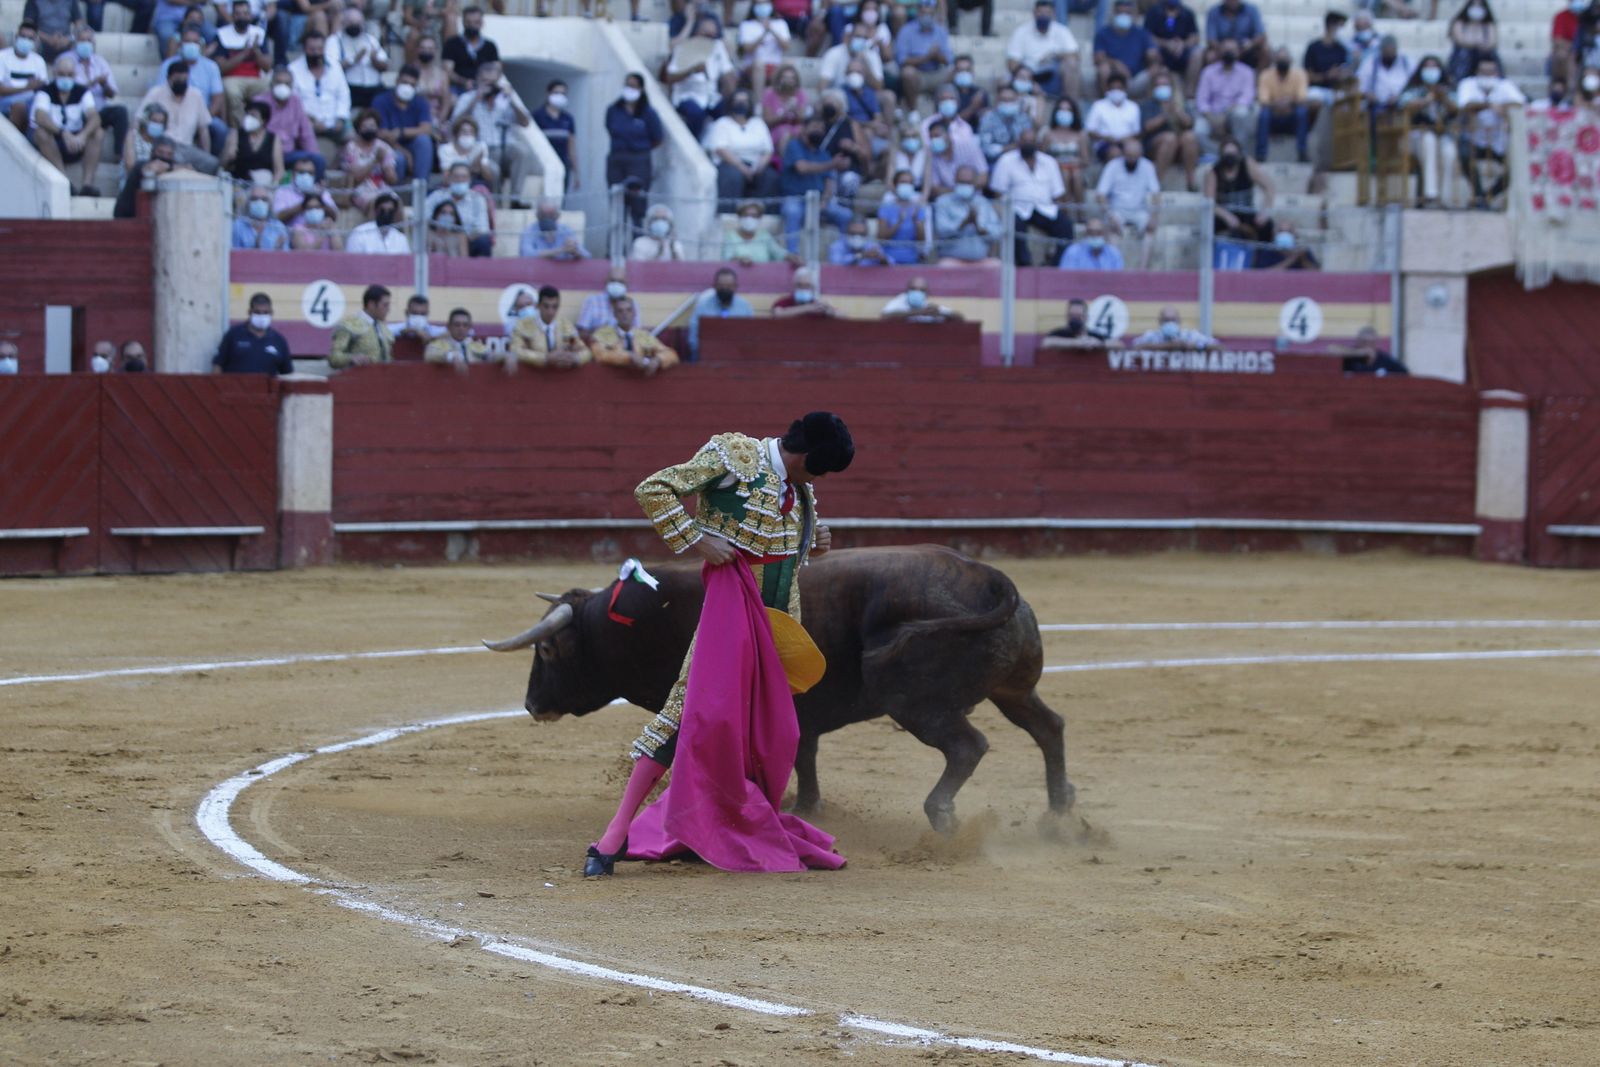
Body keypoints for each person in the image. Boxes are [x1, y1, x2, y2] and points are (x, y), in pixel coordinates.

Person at [584, 413, 855, 878]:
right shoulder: (734, 457)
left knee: (766, 730)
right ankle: (615, 834)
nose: (820, 479)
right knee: (691, 711)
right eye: (820, 469)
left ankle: (722, 824)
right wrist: (698, 539)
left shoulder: (800, 489)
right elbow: (654, 488)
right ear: (805, 456)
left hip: (777, 623)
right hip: (730, 615)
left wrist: (815, 541)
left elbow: (782, 551)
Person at [450, 62, 533, 203]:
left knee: (522, 152)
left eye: (492, 82)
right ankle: (495, 203)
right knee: (493, 170)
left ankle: (515, 198)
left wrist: (512, 99)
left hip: (505, 145)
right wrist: (476, 99)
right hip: (480, 148)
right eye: (485, 81)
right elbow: (455, 124)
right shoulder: (468, 97)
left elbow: (525, 123)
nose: (489, 86)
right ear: (478, 79)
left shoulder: (506, 99)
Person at [989, 127, 1072, 266]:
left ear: (1037, 143)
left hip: (1044, 208)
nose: (1028, 144)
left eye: (1031, 141)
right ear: (1018, 142)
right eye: (1025, 141)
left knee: (1066, 226)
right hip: (1017, 209)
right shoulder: (1006, 161)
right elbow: (998, 192)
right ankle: (1024, 265)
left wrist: (1062, 210)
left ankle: (1056, 265)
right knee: (1015, 225)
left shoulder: (1049, 162)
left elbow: (1058, 194)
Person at [31, 55, 104, 195]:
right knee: (41, 133)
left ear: (75, 75)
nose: (66, 78)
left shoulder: (82, 91)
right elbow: (40, 116)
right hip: (55, 140)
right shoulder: (45, 91)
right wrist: (63, 132)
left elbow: (94, 117)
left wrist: (82, 136)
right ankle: (65, 182)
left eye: (69, 75)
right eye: (62, 74)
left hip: (77, 141)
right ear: (54, 73)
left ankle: (87, 185)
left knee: (98, 133)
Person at [780, 114, 854, 252]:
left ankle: (843, 253)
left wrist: (824, 202)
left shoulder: (823, 154)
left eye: (821, 128)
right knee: (792, 211)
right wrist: (832, 164)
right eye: (815, 127)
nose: (818, 131)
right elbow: (802, 168)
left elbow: (829, 182)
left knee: (846, 215)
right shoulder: (794, 146)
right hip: (796, 199)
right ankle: (792, 253)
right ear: (803, 129)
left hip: (819, 202)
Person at [1456, 56, 1523, 209]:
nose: (1487, 75)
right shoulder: (1468, 84)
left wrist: (1503, 108)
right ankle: (1479, 195)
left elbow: (1519, 104)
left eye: (1490, 72)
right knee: (1464, 155)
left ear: (1497, 72)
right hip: (1474, 139)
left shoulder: (1506, 85)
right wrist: (1489, 105)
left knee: (1515, 169)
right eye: (1483, 72)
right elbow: (1465, 104)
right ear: (1477, 72)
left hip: (1498, 142)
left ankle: (1485, 197)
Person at [1398, 55, 1458, 207]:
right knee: (1429, 141)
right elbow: (1404, 104)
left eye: (1434, 67)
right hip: (1417, 135)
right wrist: (1427, 100)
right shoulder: (1414, 89)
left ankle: (1445, 197)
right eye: (1427, 67)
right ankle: (1431, 194)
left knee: (1449, 153)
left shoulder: (1447, 90)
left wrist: (1443, 98)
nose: (1431, 70)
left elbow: (1456, 108)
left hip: (1442, 135)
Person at [605, 74, 662, 232]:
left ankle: (638, 241)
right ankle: (615, 243)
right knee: (617, 204)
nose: (629, 89)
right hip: (617, 160)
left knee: (638, 205)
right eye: (627, 85)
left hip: (639, 161)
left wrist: (639, 148)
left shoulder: (648, 113)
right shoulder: (613, 110)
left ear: (641, 89)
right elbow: (610, 128)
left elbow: (658, 138)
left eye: (633, 86)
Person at [706, 89, 779, 211]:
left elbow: (768, 150)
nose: (741, 104)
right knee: (733, 177)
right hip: (730, 164)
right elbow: (720, 149)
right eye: (737, 101)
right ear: (731, 103)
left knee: (771, 177)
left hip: (755, 164)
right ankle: (727, 214)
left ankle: (766, 215)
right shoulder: (722, 123)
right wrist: (742, 167)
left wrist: (760, 166)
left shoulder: (758, 123)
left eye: (744, 101)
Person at [139, 58, 217, 173]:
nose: (181, 82)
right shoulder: (156, 93)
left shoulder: (196, 95)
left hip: (187, 148)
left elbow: (203, 130)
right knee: (175, 159)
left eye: (184, 79)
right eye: (177, 79)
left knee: (212, 163)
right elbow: (140, 119)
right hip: (163, 146)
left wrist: (206, 154)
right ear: (169, 78)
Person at [159, 27, 227, 155]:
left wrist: (203, 118)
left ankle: (213, 163)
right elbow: (161, 94)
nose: (191, 45)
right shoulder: (168, 65)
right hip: (172, 113)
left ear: (200, 45)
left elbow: (218, 98)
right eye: (187, 41)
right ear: (180, 44)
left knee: (220, 129)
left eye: (195, 42)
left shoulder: (211, 66)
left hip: (204, 114)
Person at [666, 17, 736, 141]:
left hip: (710, 96)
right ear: (698, 32)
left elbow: (727, 72)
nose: (710, 38)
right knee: (696, 114)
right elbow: (670, 77)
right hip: (687, 95)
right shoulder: (684, 47)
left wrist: (731, 95)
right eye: (707, 34)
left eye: (713, 35)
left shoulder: (718, 46)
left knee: (727, 111)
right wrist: (691, 70)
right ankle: (693, 143)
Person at [289, 30, 351, 159]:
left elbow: (344, 95)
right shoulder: (293, 69)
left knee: (353, 139)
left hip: (334, 122)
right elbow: (294, 102)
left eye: (319, 49)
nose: (316, 53)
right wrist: (310, 121)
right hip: (307, 123)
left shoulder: (335, 67)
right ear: (304, 49)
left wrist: (340, 119)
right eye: (312, 49)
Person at [1095, 135, 1158, 253]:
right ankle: (1115, 264)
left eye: (1135, 157)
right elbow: (1100, 195)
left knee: (1150, 230)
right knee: (1111, 230)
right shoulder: (1112, 166)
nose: (1132, 160)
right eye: (1129, 156)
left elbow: (1156, 194)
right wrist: (1109, 215)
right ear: (1123, 154)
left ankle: (1143, 265)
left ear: (1140, 155)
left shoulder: (1147, 166)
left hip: (1139, 211)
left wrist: (1153, 217)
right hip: (1116, 211)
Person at [69, 28, 125, 159]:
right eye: (82, 40)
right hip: (79, 111)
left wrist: (104, 85)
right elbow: (70, 90)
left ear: (93, 43)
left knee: (120, 112)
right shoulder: (67, 60)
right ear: (76, 42)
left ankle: (119, 154)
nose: (85, 43)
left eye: (88, 40)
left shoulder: (100, 62)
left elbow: (111, 94)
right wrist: (93, 82)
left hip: (99, 109)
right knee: (95, 129)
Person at [372, 64, 435, 182]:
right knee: (399, 159)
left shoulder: (420, 102)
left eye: (412, 85)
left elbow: (426, 129)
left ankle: (421, 185)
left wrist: (401, 132)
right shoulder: (381, 101)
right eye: (404, 82)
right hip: (391, 146)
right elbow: (383, 134)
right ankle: (397, 190)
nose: (407, 87)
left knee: (424, 141)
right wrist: (406, 153)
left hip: (413, 144)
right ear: (397, 81)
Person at [212, 0, 270, 128]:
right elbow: (221, 67)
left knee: (270, 88)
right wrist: (244, 53)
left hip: (255, 79)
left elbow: (267, 67)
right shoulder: (222, 34)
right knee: (232, 91)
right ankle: (240, 128)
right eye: (238, 14)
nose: (242, 17)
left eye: (245, 13)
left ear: (250, 16)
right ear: (232, 16)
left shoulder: (258, 33)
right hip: (232, 78)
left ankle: (262, 128)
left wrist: (256, 51)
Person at [257, 68, 323, 179]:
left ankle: (316, 188)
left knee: (318, 160)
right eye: (279, 82)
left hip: (288, 154)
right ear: (272, 83)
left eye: (287, 83)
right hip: (265, 153)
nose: (283, 86)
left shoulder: (295, 102)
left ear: (292, 86)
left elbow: (306, 132)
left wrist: (314, 153)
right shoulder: (260, 101)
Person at [1006, 0, 1079, 100]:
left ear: (1053, 14)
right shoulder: (1021, 31)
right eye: (1040, 12)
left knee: (1071, 64)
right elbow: (1012, 61)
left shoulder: (1062, 31)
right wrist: (1027, 77)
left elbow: (1075, 55)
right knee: (1005, 80)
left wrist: (1054, 55)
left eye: (1047, 13)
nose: (1043, 16)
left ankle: (1069, 103)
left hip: (1053, 76)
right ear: (1034, 13)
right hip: (1028, 76)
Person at [1204, 136, 1273, 240]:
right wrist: (1226, 216)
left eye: (1233, 154)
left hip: (1247, 212)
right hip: (1225, 214)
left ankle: (1260, 250)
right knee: (1209, 224)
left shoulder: (1248, 165)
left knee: (1267, 225)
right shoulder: (1213, 173)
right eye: (1227, 154)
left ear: (1239, 154)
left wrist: (1265, 211)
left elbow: (1269, 187)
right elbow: (1209, 202)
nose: (1230, 157)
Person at [589, 296, 679, 375]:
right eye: (620, 311)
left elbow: (671, 354)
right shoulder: (602, 334)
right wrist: (629, 357)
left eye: (628, 310)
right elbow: (599, 355)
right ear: (614, 314)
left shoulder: (644, 336)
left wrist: (658, 360)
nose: (624, 314)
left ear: (634, 313)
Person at [1140, 70, 1198, 190]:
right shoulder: (1148, 104)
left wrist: (1178, 112)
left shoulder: (1180, 103)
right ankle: (1156, 183)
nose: (1162, 88)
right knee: (1170, 138)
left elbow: (1190, 124)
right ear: (1153, 87)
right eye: (1159, 85)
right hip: (1154, 145)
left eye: (1165, 85)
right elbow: (1146, 127)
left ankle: (1191, 181)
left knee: (1189, 137)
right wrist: (1165, 115)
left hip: (1179, 146)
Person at [932, 166, 1002, 264]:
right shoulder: (942, 202)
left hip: (981, 260)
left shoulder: (984, 203)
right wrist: (963, 224)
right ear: (955, 181)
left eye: (968, 182)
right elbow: (941, 231)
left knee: (997, 265)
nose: (965, 185)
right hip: (951, 260)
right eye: (961, 182)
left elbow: (997, 233)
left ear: (975, 183)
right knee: (944, 265)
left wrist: (979, 227)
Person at [1194, 41, 1256, 153]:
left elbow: (1246, 98)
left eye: (1232, 50)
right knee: (1198, 130)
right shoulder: (1208, 72)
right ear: (1219, 52)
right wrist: (1212, 118)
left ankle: (1238, 153)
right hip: (1212, 115)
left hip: (1233, 113)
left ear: (1238, 52)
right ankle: (1218, 154)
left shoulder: (1247, 72)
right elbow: (1201, 101)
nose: (1229, 53)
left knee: (1241, 113)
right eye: (1226, 50)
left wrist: (1225, 115)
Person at [510, 284, 588, 369]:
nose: (550, 312)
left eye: (554, 307)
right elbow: (515, 351)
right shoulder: (523, 325)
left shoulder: (565, 325)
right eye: (546, 306)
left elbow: (585, 351)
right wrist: (545, 358)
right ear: (538, 305)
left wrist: (575, 358)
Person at [340, 110, 401, 215]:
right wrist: (375, 161)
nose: (369, 129)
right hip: (360, 188)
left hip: (381, 186)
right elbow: (356, 178)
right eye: (365, 126)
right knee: (376, 203)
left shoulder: (384, 147)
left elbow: (393, 180)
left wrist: (387, 168)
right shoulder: (351, 148)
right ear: (359, 128)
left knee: (396, 202)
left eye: (372, 126)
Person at [214, 292, 293, 373]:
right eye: (257, 312)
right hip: (235, 381)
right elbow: (218, 365)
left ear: (271, 313)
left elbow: (287, 373)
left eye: (266, 312)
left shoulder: (279, 340)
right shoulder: (233, 335)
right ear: (249, 312)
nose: (262, 316)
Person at [423, 163, 492, 255]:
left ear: (470, 180)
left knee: (483, 242)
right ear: (449, 178)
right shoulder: (437, 196)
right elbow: (422, 218)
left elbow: (482, 229)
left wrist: (461, 239)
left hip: (469, 240)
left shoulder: (477, 199)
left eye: (464, 177)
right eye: (456, 177)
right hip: (439, 240)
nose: (460, 180)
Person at [686, 267, 754, 360]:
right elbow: (693, 337)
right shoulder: (702, 306)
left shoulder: (745, 307)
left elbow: (750, 336)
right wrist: (703, 353)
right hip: (706, 357)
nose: (725, 289)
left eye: (729, 286)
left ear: (735, 287)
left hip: (737, 357)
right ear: (714, 286)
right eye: (721, 286)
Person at [1094, 0, 1158, 96]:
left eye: (1127, 13)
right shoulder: (1103, 33)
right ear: (1114, 13)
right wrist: (1116, 64)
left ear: (1134, 15)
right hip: (1115, 78)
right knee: (1104, 69)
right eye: (1120, 12)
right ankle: (1109, 101)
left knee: (1158, 69)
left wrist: (1153, 57)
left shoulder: (1142, 33)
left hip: (1137, 78)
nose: (1123, 16)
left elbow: (1154, 55)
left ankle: (1152, 103)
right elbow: (1098, 58)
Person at [1256, 47, 1309, 163]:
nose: (1282, 61)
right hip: (1274, 116)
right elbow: (1263, 100)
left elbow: (1302, 98)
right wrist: (1277, 104)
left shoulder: (1299, 74)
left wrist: (1289, 102)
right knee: (1263, 114)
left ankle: (1302, 152)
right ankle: (1261, 154)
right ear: (1275, 60)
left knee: (1302, 112)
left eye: (1285, 59)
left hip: (1291, 115)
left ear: (1290, 60)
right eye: (1280, 59)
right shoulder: (1265, 75)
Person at [893, 0, 949, 107]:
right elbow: (902, 60)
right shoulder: (906, 30)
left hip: (936, 73)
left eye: (929, 13)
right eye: (923, 12)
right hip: (917, 74)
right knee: (908, 73)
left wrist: (937, 55)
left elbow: (948, 60)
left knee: (958, 70)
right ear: (918, 12)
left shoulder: (940, 31)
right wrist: (926, 57)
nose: (926, 16)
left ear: (934, 13)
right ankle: (913, 110)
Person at [327, 285, 395, 368]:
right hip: (357, 375)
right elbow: (333, 357)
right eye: (385, 305)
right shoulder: (349, 325)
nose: (388, 309)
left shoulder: (383, 328)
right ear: (371, 304)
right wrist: (351, 358)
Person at [333, 5, 387, 109]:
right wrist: (354, 60)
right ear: (344, 22)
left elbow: (385, 65)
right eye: (351, 22)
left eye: (357, 22)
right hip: (350, 88)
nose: (354, 25)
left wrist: (375, 60)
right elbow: (332, 68)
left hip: (374, 88)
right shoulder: (335, 40)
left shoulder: (370, 39)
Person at [113, 132, 176, 218]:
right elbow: (152, 168)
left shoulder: (172, 169)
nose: (164, 157)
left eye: (169, 154)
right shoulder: (141, 166)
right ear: (152, 152)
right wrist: (171, 167)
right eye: (160, 152)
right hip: (127, 218)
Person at [1144, 0, 1202, 93]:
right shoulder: (1153, 12)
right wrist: (1166, 44)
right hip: (1161, 50)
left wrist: (1183, 44)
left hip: (1182, 51)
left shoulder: (1187, 13)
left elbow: (1195, 36)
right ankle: (1154, 91)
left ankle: (1190, 92)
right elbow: (1147, 36)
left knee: (1197, 53)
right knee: (1151, 53)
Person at [222, 98, 282, 186]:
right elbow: (223, 164)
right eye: (247, 115)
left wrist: (273, 185)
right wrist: (228, 154)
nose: (249, 118)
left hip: (263, 184)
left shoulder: (273, 139)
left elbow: (279, 170)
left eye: (253, 116)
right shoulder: (236, 134)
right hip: (238, 182)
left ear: (263, 120)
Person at [737, 0, 792, 96]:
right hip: (753, 66)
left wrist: (772, 30)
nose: (762, 6)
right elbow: (747, 49)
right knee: (759, 65)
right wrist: (763, 34)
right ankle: (758, 101)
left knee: (788, 65)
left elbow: (786, 47)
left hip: (775, 65)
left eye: (765, 3)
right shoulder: (746, 25)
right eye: (759, 4)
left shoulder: (781, 24)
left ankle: (782, 101)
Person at [923, 116, 986, 199]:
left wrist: (967, 190)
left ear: (949, 135)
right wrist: (958, 191)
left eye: (937, 136)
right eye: (931, 138)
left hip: (974, 197)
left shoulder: (968, 145)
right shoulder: (931, 155)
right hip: (947, 200)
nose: (934, 140)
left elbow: (984, 177)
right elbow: (935, 189)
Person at [3, 24, 50, 130]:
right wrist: (27, 87)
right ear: (16, 36)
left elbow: (43, 86)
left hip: (31, 100)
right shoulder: (2, 57)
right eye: (23, 36)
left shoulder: (38, 60)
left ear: (35, 41)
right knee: (19, 106)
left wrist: (33, 87)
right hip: (6, 101)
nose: (26, 41)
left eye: (30, 38)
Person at [532, 80, 577, 189]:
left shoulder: (568, 118)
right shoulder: (537, 116)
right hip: (544, 163)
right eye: (556, 93)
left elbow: (571, 147)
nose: (560, 96)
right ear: (548, 94)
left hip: (563, 162)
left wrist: (576, 173)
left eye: (563, 94)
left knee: (561, 193)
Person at [1084, 72, 1141, 159]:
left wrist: (1125, 139)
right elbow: (1090, 131)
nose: (1116, 91)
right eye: (1113, 88)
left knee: (1133, 149)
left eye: (1119, 88)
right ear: (1108, 89)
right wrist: (1106, 138)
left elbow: (1136, 132)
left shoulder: (1133, 107)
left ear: (1125, 89)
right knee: (1115, 152)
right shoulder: (1098, 106)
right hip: (1104, 143)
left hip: (1126, 142)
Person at [442, 5, 498, 91]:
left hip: (485, 88)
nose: (472, 25)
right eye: (468, 22)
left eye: (476, 22)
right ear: (463, 23)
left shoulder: (490, 46)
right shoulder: (452, 44)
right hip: (458, 87)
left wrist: (485, 83)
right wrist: (464, 82)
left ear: (482, 23)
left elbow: (497, 69)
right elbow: (448, 71)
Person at [874, 170, 924, 263]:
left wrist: (916, 221)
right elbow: (881, 238)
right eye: (903, 182)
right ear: (895, 185)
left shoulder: (917, 209)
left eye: (910, 183)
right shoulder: (886, 208)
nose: (907, 185)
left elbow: (922, 241)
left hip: (911, 259)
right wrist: (898, 222)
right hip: (888, 260)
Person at [723, 198, 795, 264]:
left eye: (754, 216)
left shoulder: (764, 235)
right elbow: (726, 258)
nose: (749, 219)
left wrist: (791, 257)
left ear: (759, 218)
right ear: (739, 216)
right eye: (746, 215)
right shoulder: (730, 236)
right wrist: (739, 260)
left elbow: (778, 253)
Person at [1355, 35, 1414, 112]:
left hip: (1402, 107)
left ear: (1396, 49)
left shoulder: (1407, 63)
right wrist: (1367, 94)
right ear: (1381, 50)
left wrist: (1400, 97)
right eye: (1386, 50)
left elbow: (1414, 85)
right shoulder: (1370, 63)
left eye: (1392, 50)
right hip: (1376, 108)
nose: (1389, 53)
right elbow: (1359, 84)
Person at [1303, 11, 1351, 106]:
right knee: (1314, 102)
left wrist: (1342, 75)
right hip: (1317, 89)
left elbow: (1346, 70)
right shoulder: (1313, 47)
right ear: (1331, 26)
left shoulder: (1342, 49)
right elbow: (1308, 75)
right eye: (1341, 26)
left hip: (1336, 89)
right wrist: (1327, 75)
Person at [1447, 0, 1500, 84]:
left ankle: (1497, 80)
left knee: (1491, 55)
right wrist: (1477, 43)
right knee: (1465, 53)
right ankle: (1459, 80)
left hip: (1482, 53)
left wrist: (1476, 44)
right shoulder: (1459, 22)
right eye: (1474, 5)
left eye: (1479, 6)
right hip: (1464, 53)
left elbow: (1492, 42)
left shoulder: (1488, 24)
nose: (1476, 8)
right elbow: (1460, 40)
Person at [759, 61, 806, 156]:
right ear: (778, 79)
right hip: (775, 129)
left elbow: (802, 119)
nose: (789, 81)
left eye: (792, 78)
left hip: (796, 128)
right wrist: (785, 113)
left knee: (802, 133)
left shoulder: (800, 94)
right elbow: (767, 121)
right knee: (785, 133)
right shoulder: (769, 93)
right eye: (785, 78)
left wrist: (795, 111)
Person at [520, 196, 589, 258]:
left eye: (551, 216)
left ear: (558, 216)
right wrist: (561, 250)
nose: (547, 219)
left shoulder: (566, 230)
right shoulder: (529, 231)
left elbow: (586, 256)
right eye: (543, 216)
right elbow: (526, 254)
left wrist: (575, 252)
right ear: (537, 216)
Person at [1203, 0, 1265, 69]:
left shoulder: (1252, 10)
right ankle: (1213, 75)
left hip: (1245, 48)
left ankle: (1258, 75)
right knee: (1210, 56)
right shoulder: (1214, 12)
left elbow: (1261, 35)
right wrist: (1222, 48)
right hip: (1222, 49)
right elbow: (1211, 39)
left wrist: (1250, 44)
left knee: (1265, 51)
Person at [424, 307, 493, 369]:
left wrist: (499, 357)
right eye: (457, 325)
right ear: (449, 326)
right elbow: (429, 355)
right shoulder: (439, 344)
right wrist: (451, 356)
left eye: (465, 325)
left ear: (469, 327)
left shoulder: (476, 345)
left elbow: (491, 355)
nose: (461, 329)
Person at [575, 264, 629, 342]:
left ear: (626, 284)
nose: (616, 285)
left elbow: (635, 333)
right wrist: (599, 332)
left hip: (622, 347)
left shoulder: (632, 305)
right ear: (606, 281)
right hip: (596, 345)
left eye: (620, 282)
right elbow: (581, 331)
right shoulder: (592, 301)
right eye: (613, 281)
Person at [232, 182, 290, 248]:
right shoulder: (238, 226)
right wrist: (255, 249)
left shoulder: (278, 227)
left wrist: (276, 250)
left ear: (270, 204)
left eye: (264, 199)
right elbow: (233, 252)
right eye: (254, 199)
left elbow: (285, 252)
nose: (259, 202)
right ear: (248, 203)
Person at [439, 115, 494, 185]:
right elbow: (446, 179)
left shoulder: (480, 147)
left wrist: (481, 163)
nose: (468, 134)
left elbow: (489, 178)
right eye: (464, 132)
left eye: (471, 132)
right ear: (456, 134)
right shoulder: (445, 149)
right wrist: (472, 168)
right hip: (453, 184)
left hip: (474, 183)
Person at [1332, 325, 1407, 374]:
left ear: (1376, 343)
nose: (1368, 346)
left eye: (1371, 343)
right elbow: (1331, 350)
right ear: (1358, 341)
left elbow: (1405, 374)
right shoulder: (1350, 356)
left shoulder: (1384, 359)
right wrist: (1359, 353)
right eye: (1364, 342)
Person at [1039, 297, 1112, 348]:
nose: (1075, 319)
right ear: (1067, 316)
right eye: (1072, 316)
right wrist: (1077, 342)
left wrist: (1098, 343)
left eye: (1078, 316)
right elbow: (1046, 342)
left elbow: (1116, 344)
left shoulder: (1093, 335)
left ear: (1086, 318)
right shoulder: (1060, 333)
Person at [881, 276, 961, 321]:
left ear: (927, 294)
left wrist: (940, 313)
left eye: (922, 290)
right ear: (907, 291)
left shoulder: (928, 306)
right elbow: (885, 316)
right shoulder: (900, 301)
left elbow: (959, 318)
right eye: (913, 289)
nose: (917, 292)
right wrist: (918, 312)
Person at [770, 266, 839, 319]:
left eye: (807, 286)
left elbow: (842, 315)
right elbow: (778, 314)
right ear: (794, 286)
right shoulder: (783, 302)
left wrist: (830, 311)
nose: (803, 289)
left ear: (813, 288)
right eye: (800, 285)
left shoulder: (817, 305)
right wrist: (807, 308)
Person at [1131, 305, 1214, 348]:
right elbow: (1134, 346)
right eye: (1166, 320)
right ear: (1160, 322)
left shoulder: (1189, 335)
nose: (1170, 323)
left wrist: (1195, 346)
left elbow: (1216, 346)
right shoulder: (1152, 336)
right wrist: (1166, 346)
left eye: (1173, 320)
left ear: (1179, 321)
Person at [1058, 217, 1124, 269]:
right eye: (1091, 232)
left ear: (1104, 234)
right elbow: (1066, 278)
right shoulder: (1073, 252)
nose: (1094, 235)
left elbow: (1118, 278)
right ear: (1086, 234)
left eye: (1099, 232)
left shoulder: (1114, 254)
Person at [1253, 222, 1319, 270]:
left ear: (1295, 235)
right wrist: (1291, 259)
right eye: (1281, 231)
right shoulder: (1267, 251)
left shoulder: (1303, 251)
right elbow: (1263, 274)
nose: (1285, 234)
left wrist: (1303, 259)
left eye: (1288, 232)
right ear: (1274, 235)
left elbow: (1316, 274)